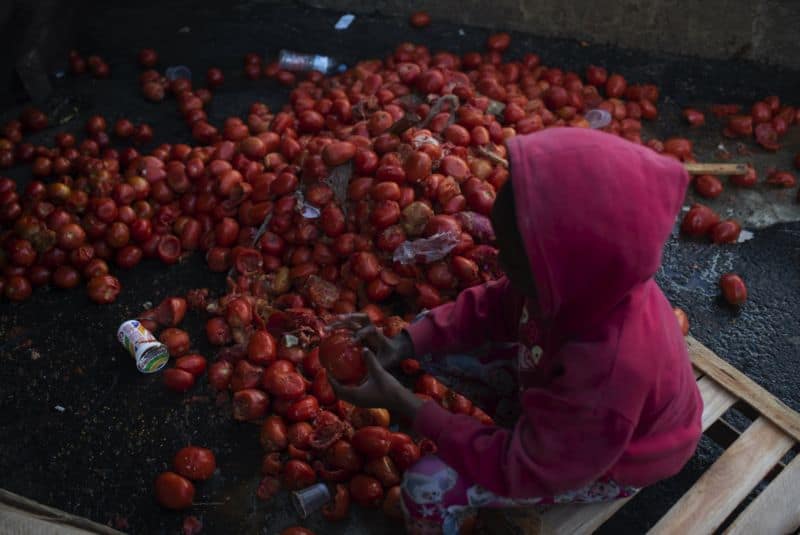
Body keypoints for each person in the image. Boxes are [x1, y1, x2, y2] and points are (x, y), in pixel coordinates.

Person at [329, 127, 703, 534]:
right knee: (428, 336)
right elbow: (492, 305)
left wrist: (407, 405)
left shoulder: (611, 368)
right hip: (577, 418)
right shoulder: (578, 284)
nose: (499, 264)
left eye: (510, 257)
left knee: (426, 486)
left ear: (558, 274)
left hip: (613, 461)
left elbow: (528, 467)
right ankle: (528, 421)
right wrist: (401, 344)